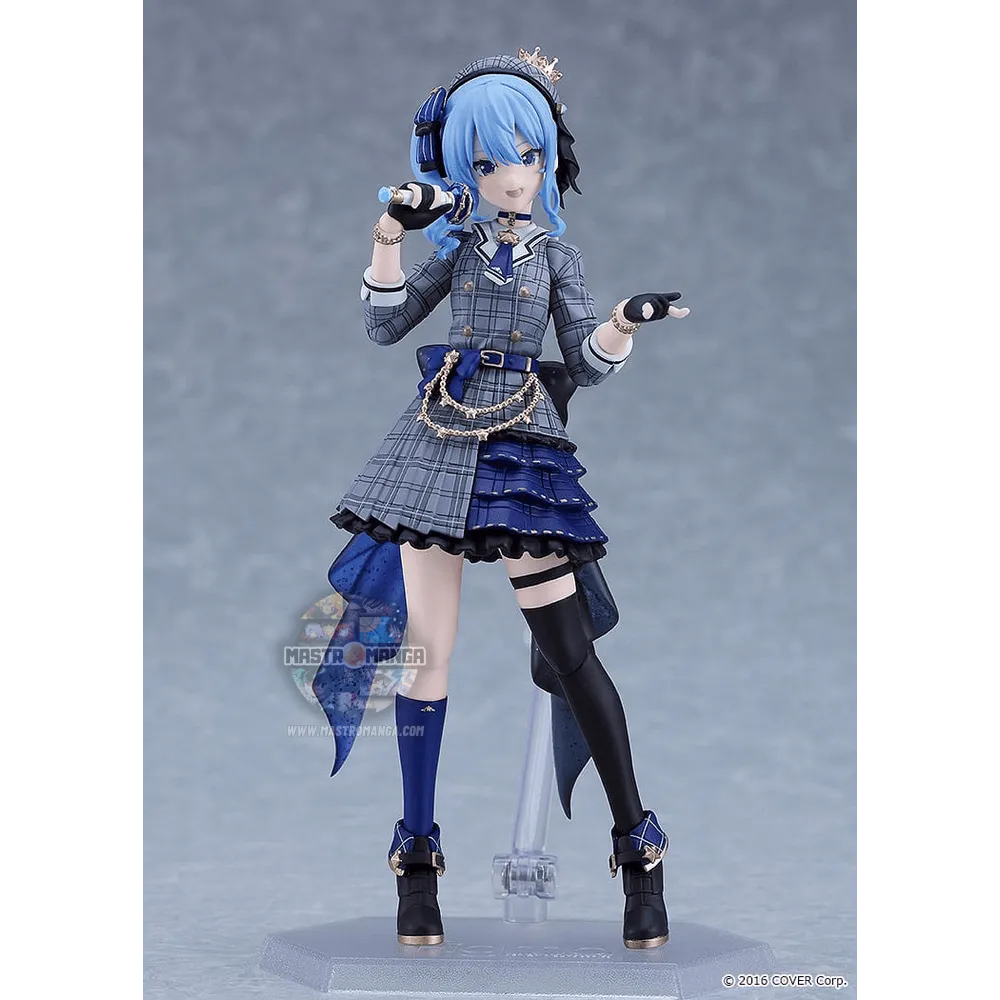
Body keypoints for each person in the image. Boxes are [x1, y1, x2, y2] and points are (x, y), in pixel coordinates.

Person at [313, 48, 690, 950]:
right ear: (463, 170)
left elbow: (584, 362)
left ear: (547, 158)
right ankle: (416, 857)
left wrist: (622, 324)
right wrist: (389, 234)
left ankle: (638, 847)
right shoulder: (456, 252)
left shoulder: (558, 258)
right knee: (426, 655)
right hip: (438, 442)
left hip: (523, 448)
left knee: (568, 650)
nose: (508, 177)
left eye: (523, 156)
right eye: (485, 162)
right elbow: (383, 323)